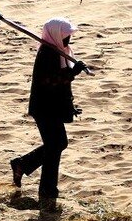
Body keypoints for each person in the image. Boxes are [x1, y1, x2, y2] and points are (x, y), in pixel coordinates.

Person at [10, 17, 88, 203]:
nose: (68, 40)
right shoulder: (47, 53)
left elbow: (61, 86)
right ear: (55, 35)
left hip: (52, 106)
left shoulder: (59, 51)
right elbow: (51, 82)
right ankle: (43, 185)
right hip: (44, 108)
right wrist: (73, 73)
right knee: (57, 144)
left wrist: (69, 106)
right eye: (65, 36)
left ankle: (39, 181)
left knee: (56, 145)